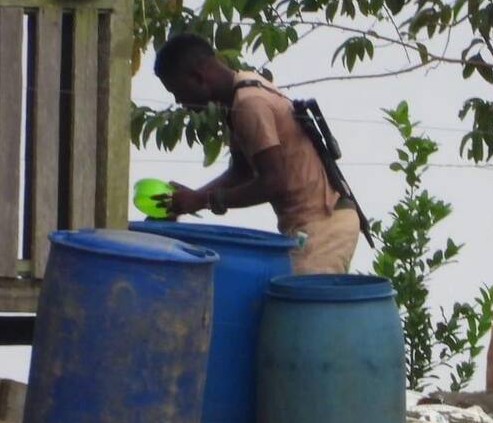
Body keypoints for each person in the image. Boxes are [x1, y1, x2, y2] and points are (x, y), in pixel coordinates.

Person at [152, 33, 362, 274]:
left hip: (323, 224)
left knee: (301, 297)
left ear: (198, 77)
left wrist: (203, 200)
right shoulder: (240, 92)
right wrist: (189, 200)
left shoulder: (249, 103)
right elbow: (240, 172)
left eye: (177, 91)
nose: (178, 100)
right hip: (309, 224)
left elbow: (274, 183)